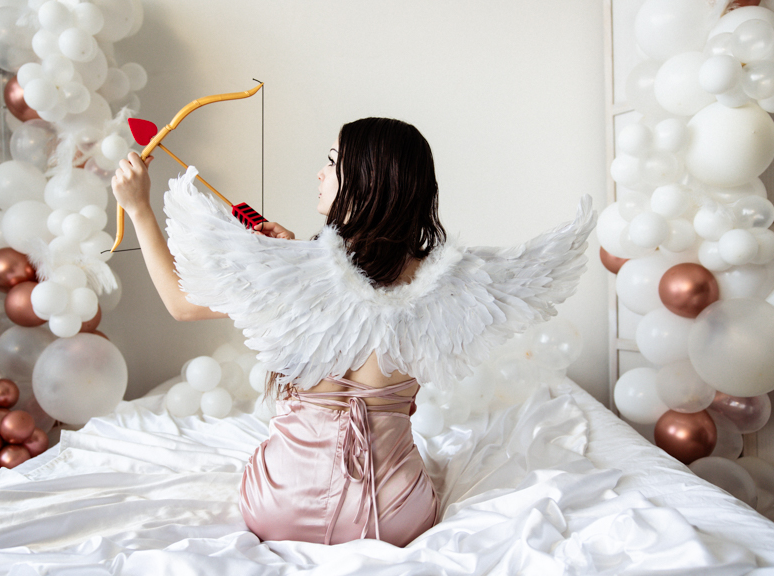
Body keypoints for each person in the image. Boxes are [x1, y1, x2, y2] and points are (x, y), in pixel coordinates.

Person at [112, 117, 594, 547]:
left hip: (279, 506)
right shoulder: (454, 283)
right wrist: (292, 253)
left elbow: (181, 303)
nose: (320, 174)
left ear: (364, 183)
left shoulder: (294, 275)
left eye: (331, 163)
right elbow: (369, 304)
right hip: (397, 516)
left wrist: (138, 208)